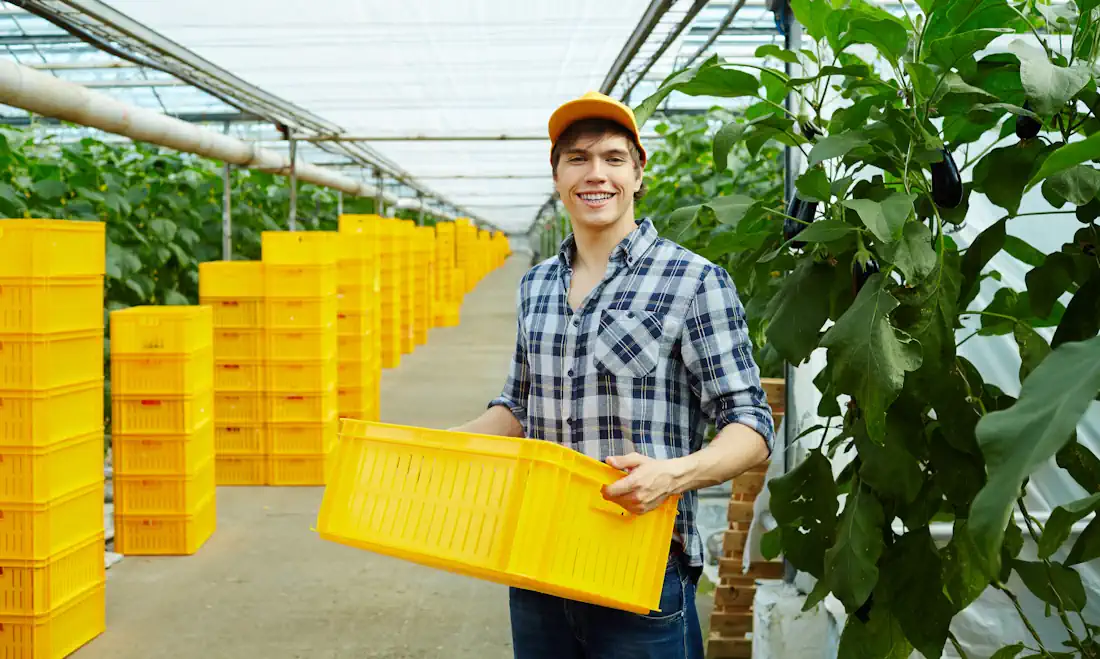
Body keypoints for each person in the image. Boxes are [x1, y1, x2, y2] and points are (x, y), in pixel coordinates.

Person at [452, 91, 775, 659]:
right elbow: (518, 406)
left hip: (638, 563)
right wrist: (437, 449)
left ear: (638, 173)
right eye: (577, 158)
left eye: (612, 158)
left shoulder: (694, 281)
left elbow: (748, 423)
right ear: (556, 176)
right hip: (538, 557)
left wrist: (672, 475)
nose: (595, 174)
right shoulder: (538, 285)